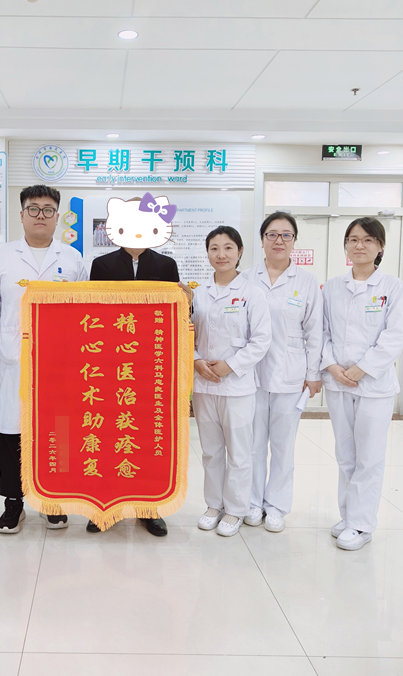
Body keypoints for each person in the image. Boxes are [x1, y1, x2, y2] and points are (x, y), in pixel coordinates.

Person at [0, 185, 88, 534]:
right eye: (33, 209)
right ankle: (14, 502)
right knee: (12, 429)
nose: (40, 215)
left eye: (47, 209)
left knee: (59, 427)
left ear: (57, 217)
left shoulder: (72, 258)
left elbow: (84, 311)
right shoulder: (2, 256)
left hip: (62, 361)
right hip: (15, 357)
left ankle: (53, 499)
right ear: (22, 214)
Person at [88, 206, 180, 537]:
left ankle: (148, 508)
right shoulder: (101, 265)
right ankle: (106, 506)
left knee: (147, 435)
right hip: (111, 363)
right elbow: (93, 313)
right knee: (109, 434)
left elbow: (175, 314)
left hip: (151, 364)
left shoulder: (166, 265)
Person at [322, 217, 403, 551]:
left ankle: (362, 524)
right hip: (338, 382)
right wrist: (332, 365)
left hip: (374, 386)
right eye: (353, 239)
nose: (359, 245)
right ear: (345, 246)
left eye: (368, 240)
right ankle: (348, 516)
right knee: (345, 454)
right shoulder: (333, 287)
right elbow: (322, 331)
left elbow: (395, 335)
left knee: (369, 456)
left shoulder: (393, 287)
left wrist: (361, 369)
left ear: (380, 247)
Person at [241, 212, 322, 532]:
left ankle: (275, 505)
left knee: (283, 445)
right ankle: (251, 502)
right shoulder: (246, 278)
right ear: (262, 240)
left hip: (292, 373)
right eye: (272, 234)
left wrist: (313, 372)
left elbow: (315, 330)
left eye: (286, 235)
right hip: (251, 374)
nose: (279, 240)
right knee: (252, 443)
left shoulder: (306, 281)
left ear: (294, 241)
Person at [192, 226, 271, 537]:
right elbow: (186, 333)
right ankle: (214, 505)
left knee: (239, 451)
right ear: (207, 253)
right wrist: (196, 360)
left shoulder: (252, 293)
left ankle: (236, 509)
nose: (221, 254)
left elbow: (261, 340)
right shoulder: (198, 293)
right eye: (214, 248)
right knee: (211, 450)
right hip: (204, 384)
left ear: (239, 252)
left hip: (237, 386)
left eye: (228, 248)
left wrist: (231, 365)